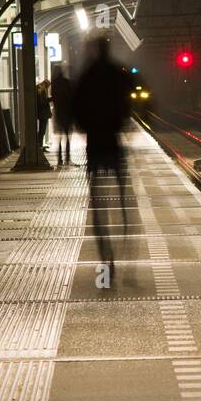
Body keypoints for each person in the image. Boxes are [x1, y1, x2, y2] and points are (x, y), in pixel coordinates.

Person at [71, 37, 134, 282]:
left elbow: (77, 112)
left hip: (95, 147)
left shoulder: (87, 76)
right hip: (114, 145)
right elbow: (131, 97)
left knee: (98, 205)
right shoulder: (117, 73)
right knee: (124, 201)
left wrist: (89, 125)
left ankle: (106, 258)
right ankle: (127, 246)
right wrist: (121, 121)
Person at [50, 66, 74, 166]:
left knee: (59, 137)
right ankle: (68, 158)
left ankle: (59, 159)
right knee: (67, 137)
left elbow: (53, 96)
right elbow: (71, 97)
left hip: (58, 112)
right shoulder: (66, 82)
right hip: (67, 112)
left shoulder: (54, 84)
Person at [35, 79, 51, 151]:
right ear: (45, 85)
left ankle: (40, 145)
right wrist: (49, 100)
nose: (47, 88)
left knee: (42, 131)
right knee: (42, 131)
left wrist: (49, 99)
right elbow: (41, 103)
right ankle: (39, 146)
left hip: (42, 114)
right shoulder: (40, 90)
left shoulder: (40, 89)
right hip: (43, 114)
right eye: (47, 86)